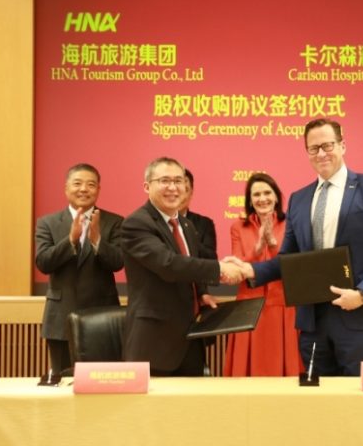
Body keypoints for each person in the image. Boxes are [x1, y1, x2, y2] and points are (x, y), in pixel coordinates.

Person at [230, 118, 363, 376]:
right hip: (313, 322)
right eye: (314, 148)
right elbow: (289, 258)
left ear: (342, 145)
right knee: (316, 395)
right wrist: (251, 270)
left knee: (356, 396)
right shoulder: (299, 199)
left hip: (360, 317)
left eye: (328, 145)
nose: (321, 153)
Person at [120, 157, 243, 376]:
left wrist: (201, 292)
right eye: (165, 181)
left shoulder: (186, 225)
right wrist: (220, 269)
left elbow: (189, 264)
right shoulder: (136, 223)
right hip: (154, 342)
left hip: (190, 339)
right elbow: (168, 264)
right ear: (147, 186)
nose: (173, 187)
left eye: (178, 181)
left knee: (193, 398)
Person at [35, 163, 124, 374]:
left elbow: (119, 262)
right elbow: (43, 262)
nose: (84, 189)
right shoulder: (47, 223)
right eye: (77, 183)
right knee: (64, 380)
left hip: (102, 318)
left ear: (98, 190)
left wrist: (98, 241)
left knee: (103, 381)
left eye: (90, 185)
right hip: (60, 318)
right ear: (66, 188)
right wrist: (70, 241)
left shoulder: (114, 222)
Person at [224, 172, 303, 376]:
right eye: (256, 194)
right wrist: (258, 247)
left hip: (283, 304)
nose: (262, 198)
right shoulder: (238, 227)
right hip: (248, 305)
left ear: (276, 197)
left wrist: (273, 243)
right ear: (250, 201)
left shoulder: (291, 224)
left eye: (267, 193)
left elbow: (291, 264)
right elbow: (238, 268)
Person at [180, 168, 218, 260]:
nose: (180, 195)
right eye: (177, 189)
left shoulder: (204, 224)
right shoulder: (155, 223)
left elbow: (211, 258)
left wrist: (188, 238)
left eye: (186, 189)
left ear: (191, 193)